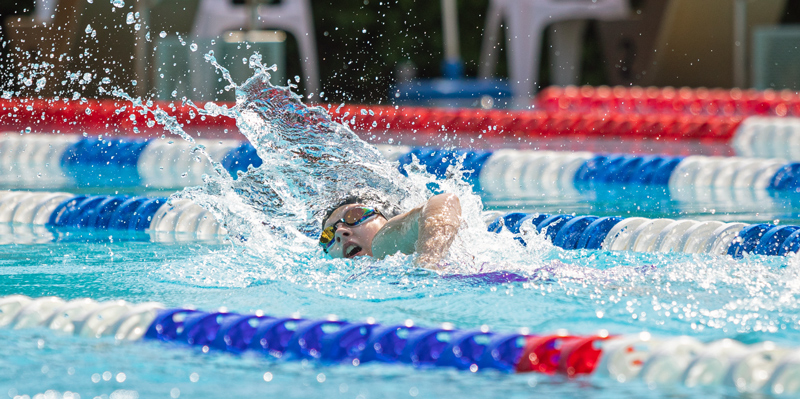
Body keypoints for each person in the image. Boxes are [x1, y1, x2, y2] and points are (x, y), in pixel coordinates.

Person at [319, 193, 461, 269]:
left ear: (387, 218)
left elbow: (444, 201)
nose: (339, 232)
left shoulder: (382, 245)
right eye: (328, 235)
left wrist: (429, 261)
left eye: (354, 216)